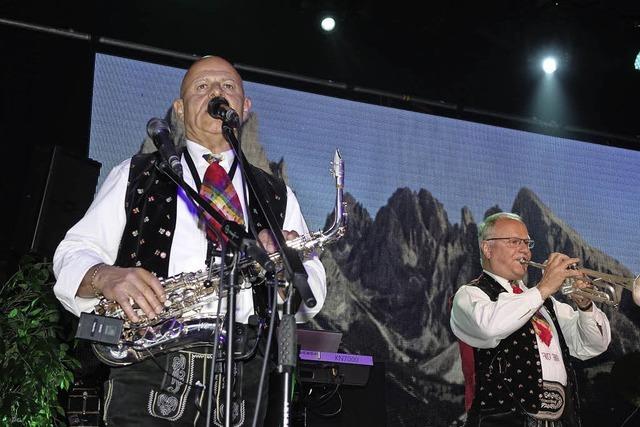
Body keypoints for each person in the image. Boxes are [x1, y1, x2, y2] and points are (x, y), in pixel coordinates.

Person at [53, 56, 327, 426]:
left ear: (244, 107)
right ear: (180, 110)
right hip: (150, 368)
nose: (216, 92)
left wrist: (281, 266)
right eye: (202, 87)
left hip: (243, 377)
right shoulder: (137, 174)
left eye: (228, 87)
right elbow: (72, 252)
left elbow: (310, 285)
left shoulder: (275, 193)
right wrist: (106, 276)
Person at [450, 212, 611, 427]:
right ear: (487, 248)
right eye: (514, 242)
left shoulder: (546, 303)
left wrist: (585, 305)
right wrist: (543, 288)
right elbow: (489, 327)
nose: (525, 250)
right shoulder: (470, 294)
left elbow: (593, 345)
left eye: (527, 243)